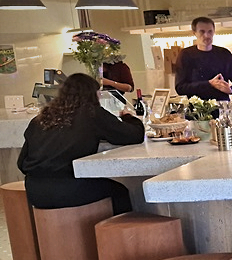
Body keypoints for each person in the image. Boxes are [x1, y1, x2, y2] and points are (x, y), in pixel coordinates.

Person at [18, 72, 145, 215]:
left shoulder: (41, 118)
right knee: (119, 192)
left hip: (35, 192)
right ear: (91, 94)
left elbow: (21, 162)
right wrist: (129, 117)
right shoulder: (91, 113)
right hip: (69, 188)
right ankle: (117, 235)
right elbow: (134, 135)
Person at [174, 16, 232, 101]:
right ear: (194, 33)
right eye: (202, 32)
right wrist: (209, 84)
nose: (206, 35)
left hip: (222, 108)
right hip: (196, 110)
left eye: (210, 31)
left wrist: (231, 89)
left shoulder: (224, 54)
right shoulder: (186, 55)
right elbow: (180, 88)